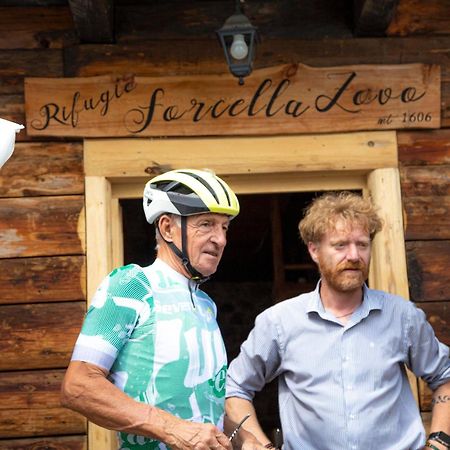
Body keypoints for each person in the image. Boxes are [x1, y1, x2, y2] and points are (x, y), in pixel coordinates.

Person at [225, 191, 450, 450]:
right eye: (340, 245)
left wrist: (439, 442)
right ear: (314, 251)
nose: (354, 255)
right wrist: (259, 445)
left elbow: (444, 376)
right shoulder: (279, 322)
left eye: (362, 244)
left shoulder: (403, 316)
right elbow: (236, 389)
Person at [61, 168, 265, 450]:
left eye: (224, 227)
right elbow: (78, 387)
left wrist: (246, 440)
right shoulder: (132, 284)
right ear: (168, 228)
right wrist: (173, 429)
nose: (221, 239)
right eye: (206, 224)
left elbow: (203, 409)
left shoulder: (206, 305)